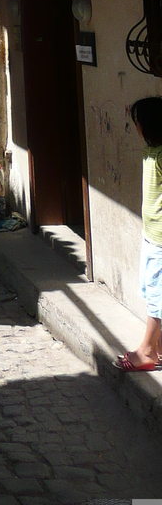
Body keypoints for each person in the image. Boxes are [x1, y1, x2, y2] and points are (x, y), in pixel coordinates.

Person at [115, 97, 162, 372]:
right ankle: (156, 348)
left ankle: (146, 350)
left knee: (157, 293)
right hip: (151, 235)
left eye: (137, 122)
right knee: (150, 287)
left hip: (160, 239)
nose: (135, 127)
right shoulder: (151, 153)